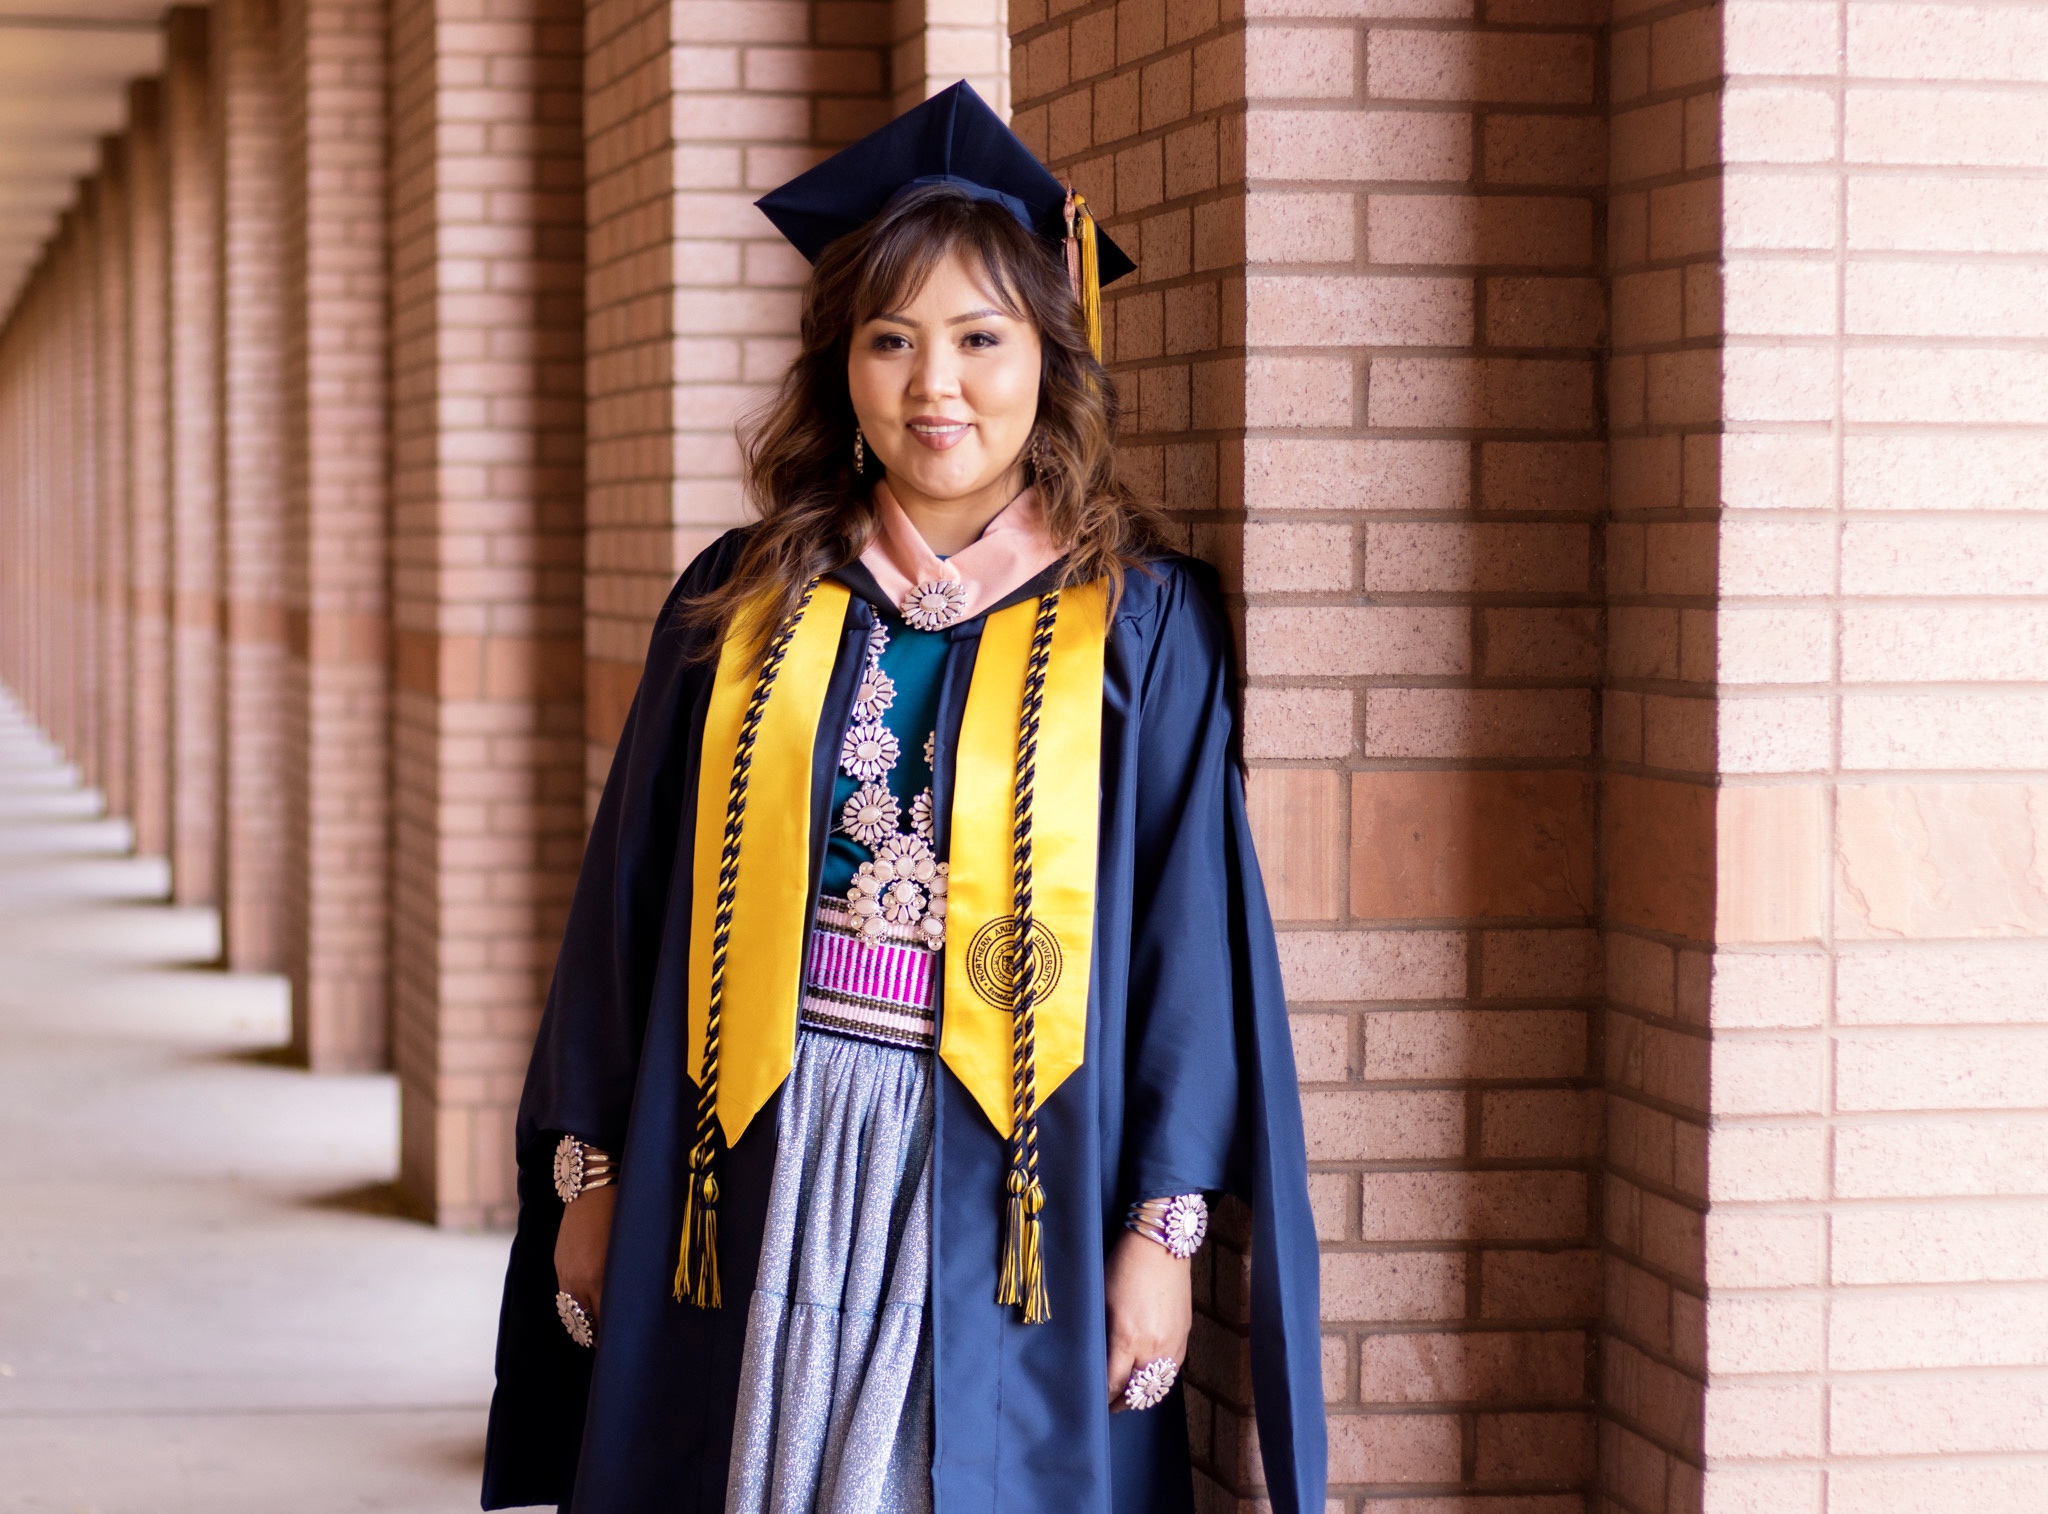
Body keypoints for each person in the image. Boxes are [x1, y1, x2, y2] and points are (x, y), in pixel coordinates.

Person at [481, 81, 1324, 1514]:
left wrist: (1163, 1232)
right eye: (893, 340)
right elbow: (623, 906)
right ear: (843, 368)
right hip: (756, 1152)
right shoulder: (745, 600)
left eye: (982, 340)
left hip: (1014, 1177)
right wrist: (589, 1172)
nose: (938, 386)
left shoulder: (1139, 627)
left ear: (1050, 361)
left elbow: (1189, 953)